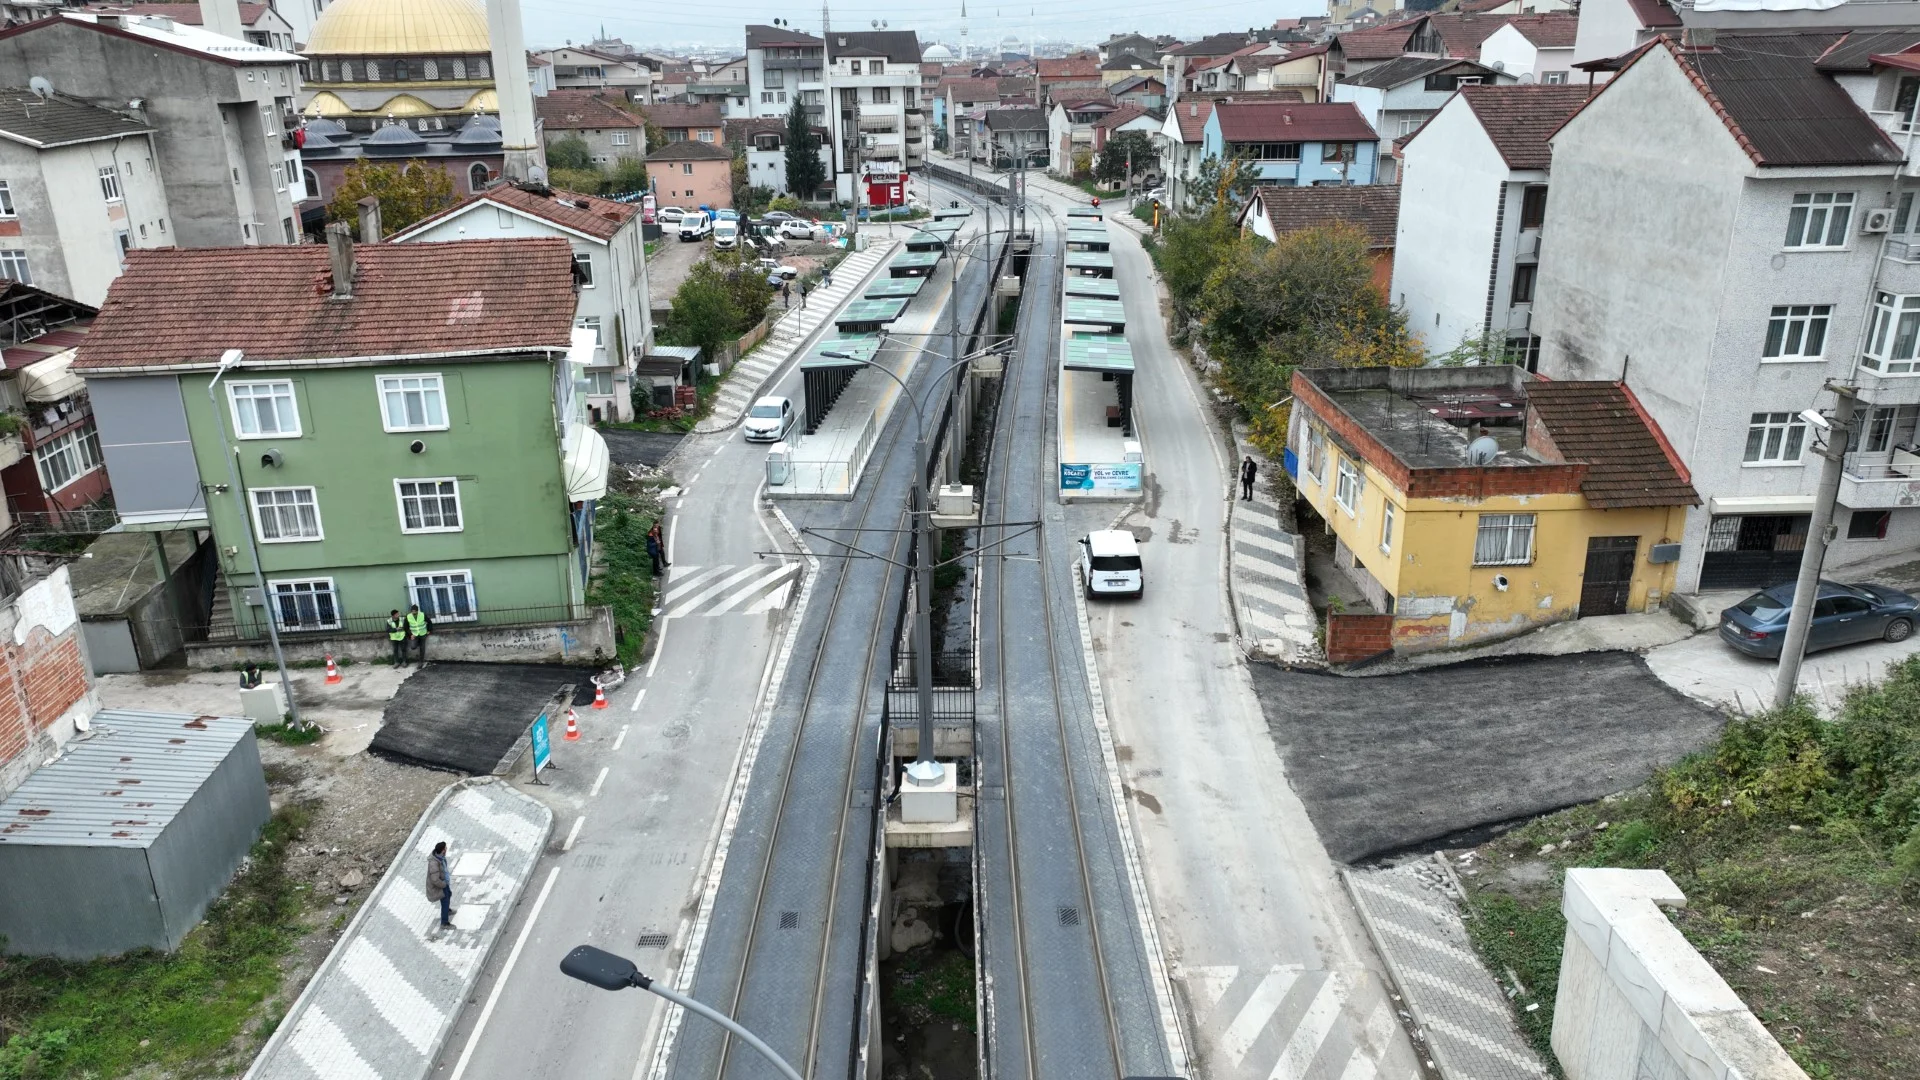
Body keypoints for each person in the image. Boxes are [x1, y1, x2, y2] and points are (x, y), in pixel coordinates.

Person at [426, 841, 454, 929]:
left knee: (449, 894)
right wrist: (443, 885)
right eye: (445, 848)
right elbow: (435, 880)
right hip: (441, 886)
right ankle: (444, 923)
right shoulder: (434, 864)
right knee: (445, 901)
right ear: (442, 850)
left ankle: (447, 910)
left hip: (444, 882)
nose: (446, 849)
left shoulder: (441, 857)